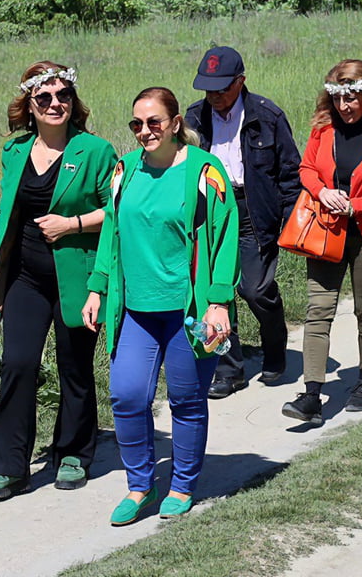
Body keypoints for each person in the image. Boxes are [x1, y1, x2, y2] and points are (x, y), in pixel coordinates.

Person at [83, 87, 240, 525]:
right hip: (134, 307)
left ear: (175, 123)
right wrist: (97, 287)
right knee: (127, 396)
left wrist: (219, 301)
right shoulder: (124, 170)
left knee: (187, 400)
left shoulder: (204, 171)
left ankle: (182, 484)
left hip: (188, 310)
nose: (144, 131)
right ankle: (139, 485)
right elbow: (111, 231)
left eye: (154, 122)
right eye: (137, 124)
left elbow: (225, 236)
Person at [0, 62, 117, 501]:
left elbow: (116, 211)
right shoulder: (15, 151)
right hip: (26, 276)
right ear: (30, 106)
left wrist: (71, 224)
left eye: (64, 96)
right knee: (17, 363)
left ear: (73, 103)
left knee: (74, 366)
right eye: (45, 98)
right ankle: (8, 466)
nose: (56, 104)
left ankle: (74, 452)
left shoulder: (95, 151)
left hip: (78, 274)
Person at [281, 61, 362, 424]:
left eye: (352, 99)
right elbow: (306, 169)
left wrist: (357, 205)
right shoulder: (323, 127)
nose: (345, 108)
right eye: (338, 100)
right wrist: (322, 191)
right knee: (317, 310)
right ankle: (310, 395)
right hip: (325, 229)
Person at [185, 46, 301, 399]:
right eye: (208, 89)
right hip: (212, 208)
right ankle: (228, 368)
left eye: (222, 88)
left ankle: (275, 344)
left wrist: (288, 220)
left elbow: (290, 174)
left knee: (254, 289)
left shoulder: (267, 116)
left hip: (255, 210)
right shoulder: (193, 118)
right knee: (214, 291)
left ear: (241, 81)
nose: (215, 96)